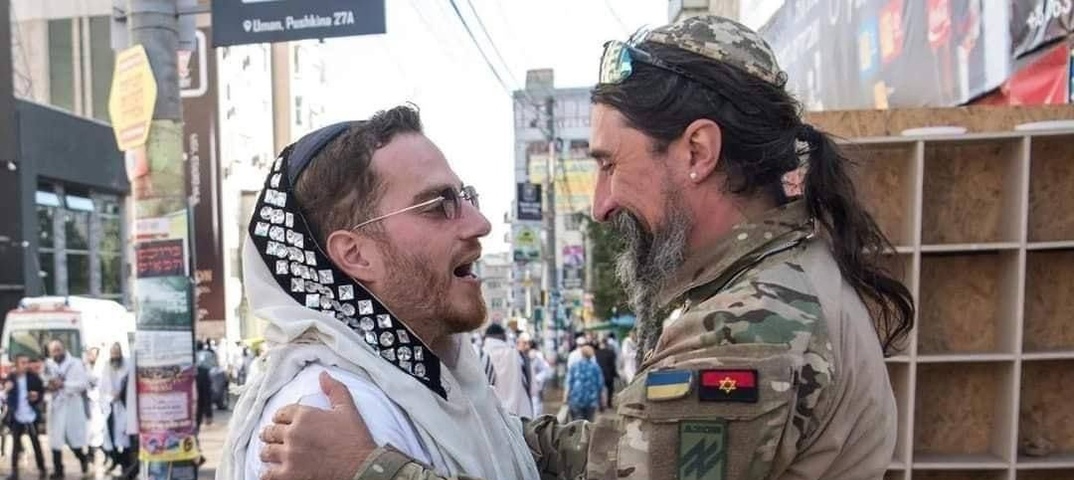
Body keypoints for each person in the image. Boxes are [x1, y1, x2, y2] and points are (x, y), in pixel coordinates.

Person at [256, 14, 917, 480]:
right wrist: (468, 426)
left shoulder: (753, 325)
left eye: (609, 164)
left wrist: (365, 469)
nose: (599, 205)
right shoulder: (781, 278)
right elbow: (616, 454)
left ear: (697, 151)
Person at [217, 105, 539, 480]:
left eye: (465, 197)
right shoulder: (326, 417)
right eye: (439, 205)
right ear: (356, 254)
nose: (479, 224)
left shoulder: (445, 387)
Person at [42, 340, 91, 479]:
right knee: (55, 440)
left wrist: (63, 384)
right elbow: (43, 381)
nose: (56, 353)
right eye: (53, 351)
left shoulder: (76, 363)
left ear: (64, 349)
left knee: (73, 440)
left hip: (72, 407)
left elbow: (83, 384)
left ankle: (83, 458)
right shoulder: (48, 365)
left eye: (58, 349)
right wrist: (49, 385)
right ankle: (58, 471)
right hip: (56, 407)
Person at [5, 353, 47, 480]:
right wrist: (7, 390)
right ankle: (14, 472)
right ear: (17, 364)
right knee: (15, 445)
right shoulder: (11, 377)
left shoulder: (33, 377)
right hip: (17, 415)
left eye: (27, 362)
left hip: (31, 415)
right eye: (23, 363)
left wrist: (36, 397)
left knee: (35, 443)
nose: (26, 365)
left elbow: (41, 392)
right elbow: (7, 395)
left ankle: (42, 469)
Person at [480, 323, 534, 419]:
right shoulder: (517, 355)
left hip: (494, 416)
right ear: (504, 336)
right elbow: (531, 384)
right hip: (521, 413)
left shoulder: (482, 355)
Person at [99, 343, 132, 474]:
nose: (115, 356)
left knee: (125, 437)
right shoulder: (106, 366)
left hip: (125, 407)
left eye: (117, 353)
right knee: (111, 437)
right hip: (111, 407)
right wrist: (110, 397)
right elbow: (103, 388)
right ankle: (116, 461)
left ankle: (125, 465)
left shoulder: (128, 365)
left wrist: (121, 394)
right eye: (113, 353)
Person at [564, 346, 603, 422]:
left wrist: (565, 398)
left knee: (577, 422)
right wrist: (602, 401)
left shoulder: (574, 366)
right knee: (589, 422)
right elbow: (600, 384)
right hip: (591, 401)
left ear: (581, 354)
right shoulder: (596, 367)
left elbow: (569, 383)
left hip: (576, 399)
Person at [592, 337, 618, 409]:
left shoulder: (596, 353)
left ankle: (600, 405)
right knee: (610, 389)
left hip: (599, 374)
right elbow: (613, 365)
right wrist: (615, 373)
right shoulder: (611, 353)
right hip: (609, 374)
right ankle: (609, 403)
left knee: (599, 389)